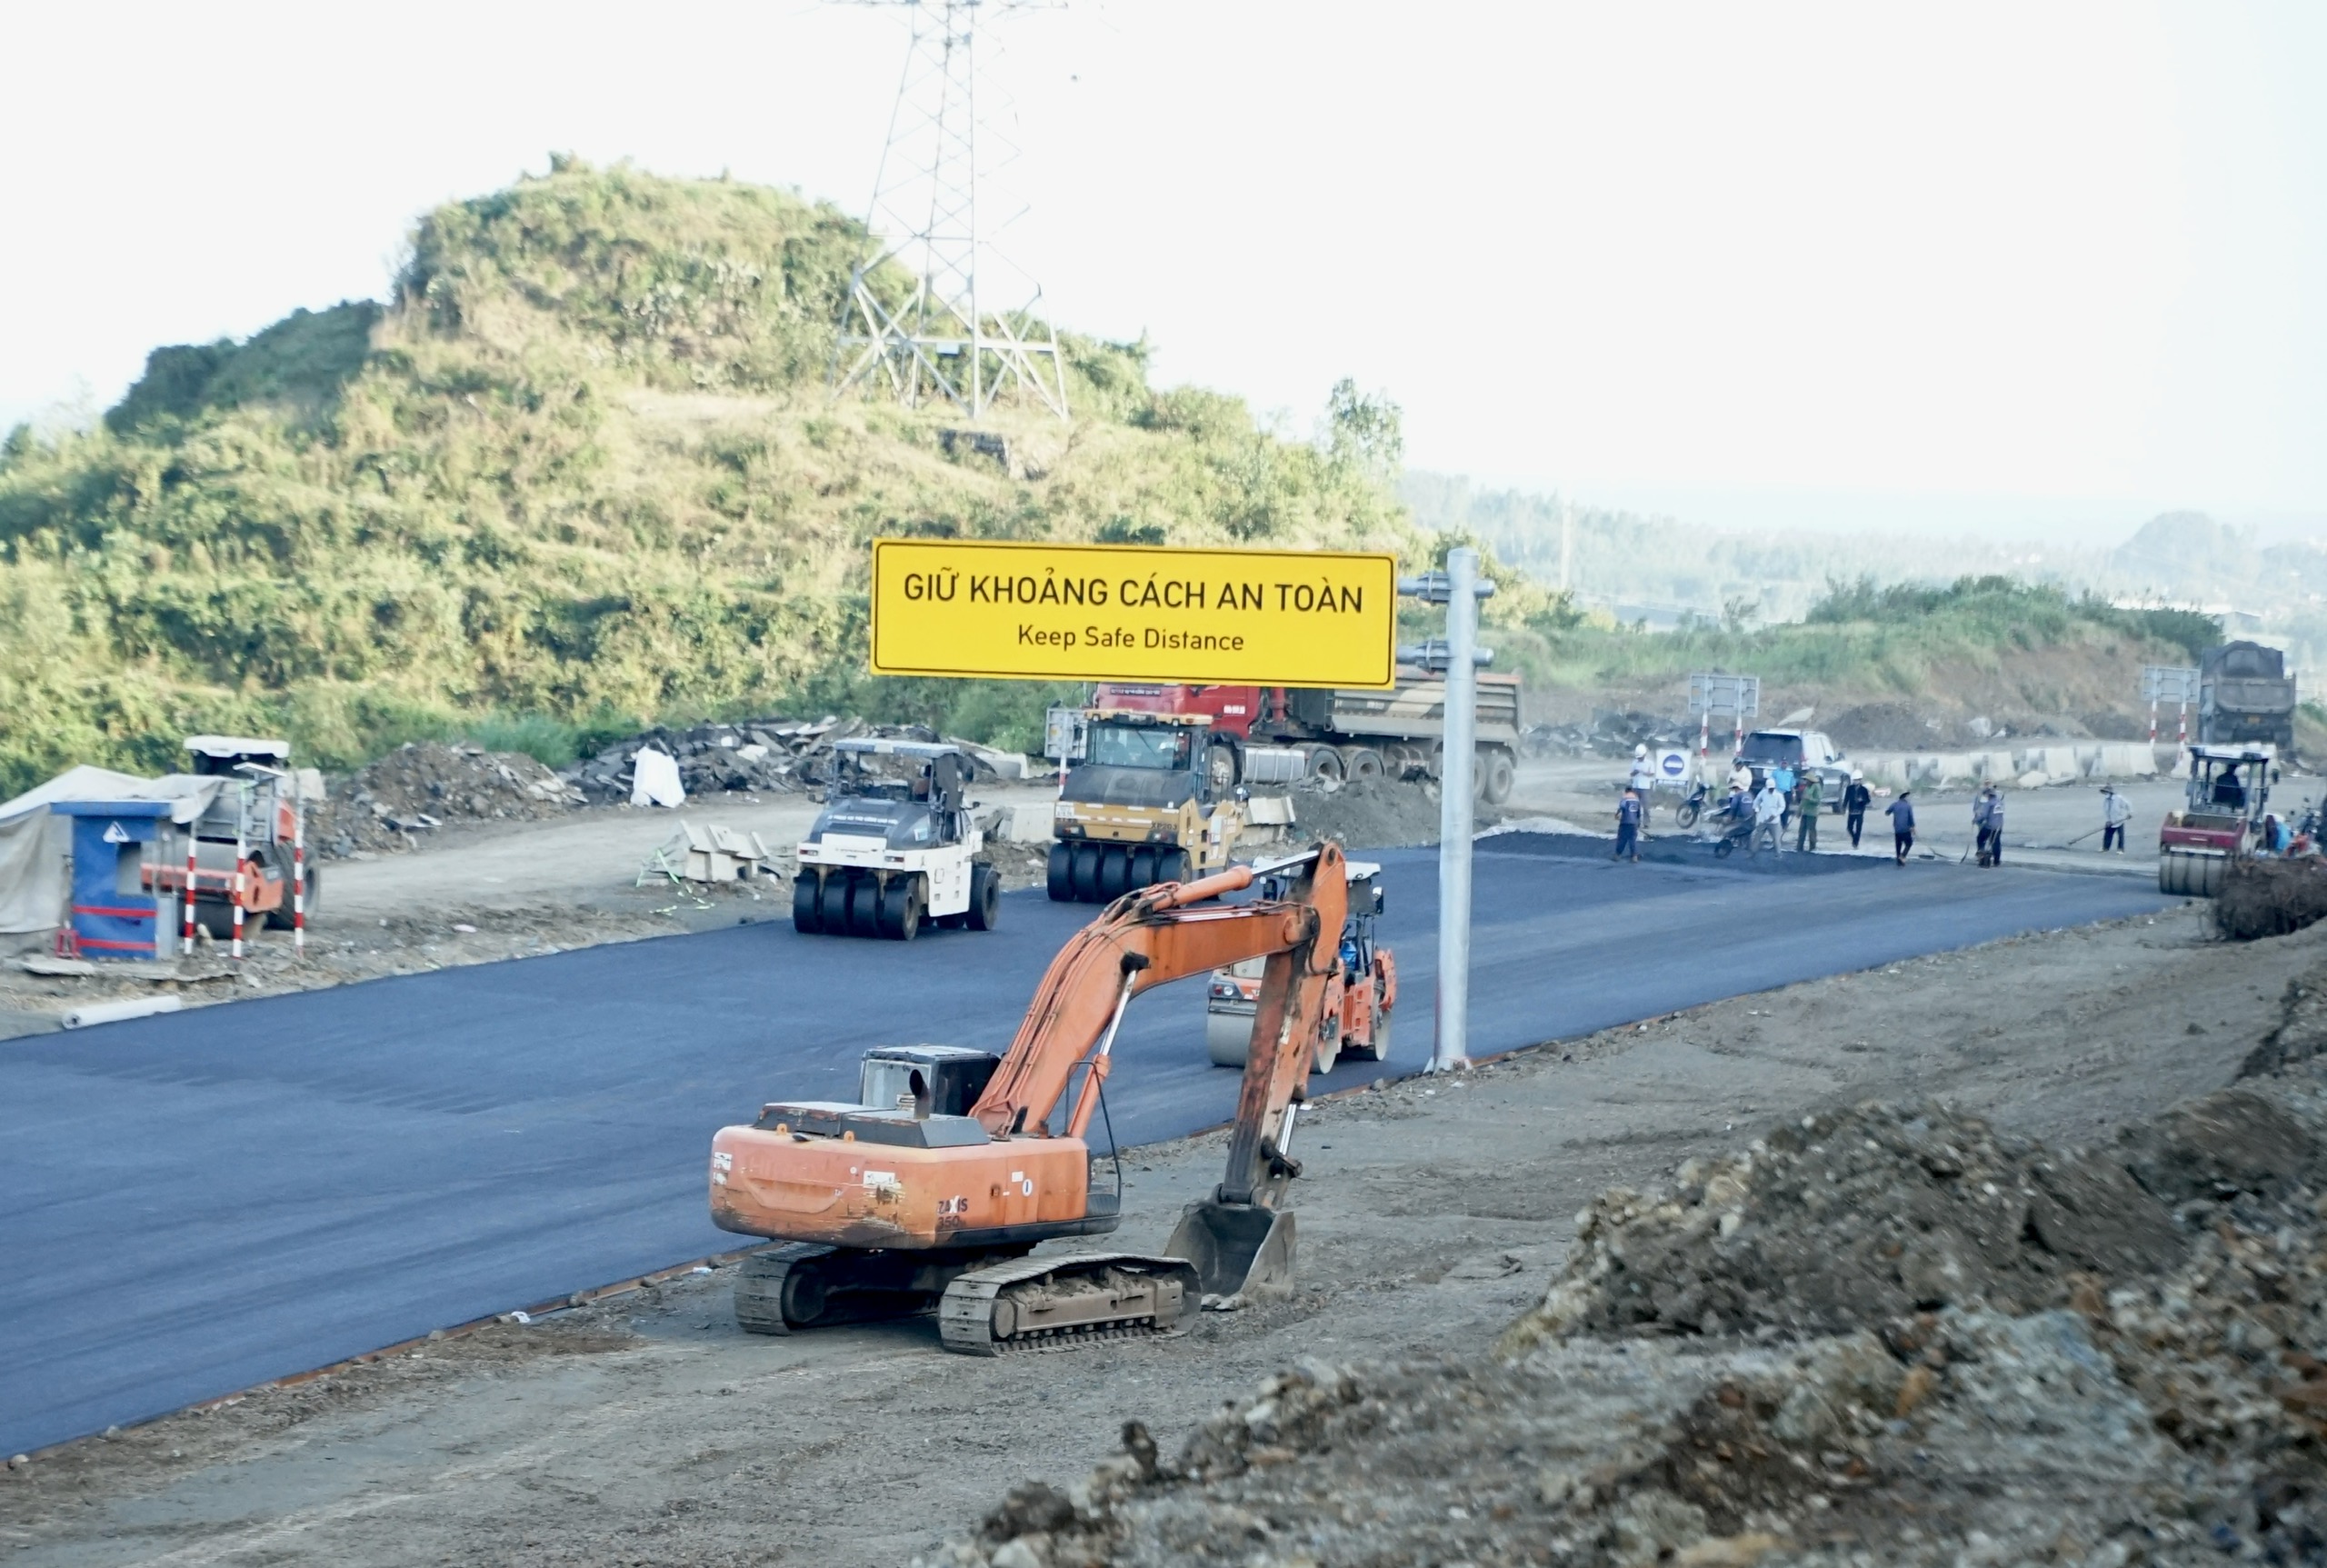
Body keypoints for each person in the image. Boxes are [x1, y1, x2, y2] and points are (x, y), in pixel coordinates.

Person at [1628, 745, 1658, 837]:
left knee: (1646, 807)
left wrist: (1643, 772)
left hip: (1645, 787)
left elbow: (1652, 773)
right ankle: (1636, 822)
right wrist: (1635, 772)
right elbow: (1631, 774)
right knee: (1636, 807)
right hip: (1636, 786)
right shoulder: (1634, 763)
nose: (1639, 759)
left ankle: (1646, 823)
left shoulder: (1649, 763)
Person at [1753, 776, 1786, 853]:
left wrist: (1775, 814)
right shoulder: (1763, 793)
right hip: (1763, 819)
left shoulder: (1779, 795)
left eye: (1772, 788)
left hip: (1774, 821)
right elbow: (1756, 801)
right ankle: (1752, 853)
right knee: (1757, 838)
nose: (1771, 790)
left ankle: (1778, 855)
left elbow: (1782, 807)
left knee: (1776, 840)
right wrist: (1756, 809)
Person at [1843, 770, 1873, 850]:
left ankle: (1856, 843)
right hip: (1851, 811)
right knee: (1849, 827)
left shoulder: (1864, 790)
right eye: (1854, 780)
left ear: (1860, 780)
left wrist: (1862, 800)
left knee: (1858, 828)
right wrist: (1844, 807)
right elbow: (1846, 799)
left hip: (1860, 811)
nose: (1855, 781)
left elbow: (1868, 800)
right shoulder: (1849, 789)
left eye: (1857, 780)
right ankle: (1854, 839)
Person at [1885, 790, 1916, 864]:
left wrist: (1892, 812)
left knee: (1898, 845)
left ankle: (1898, 860)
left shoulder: (1894, 804)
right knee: (1909, 843)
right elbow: (1910, 817)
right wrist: (1913, 827)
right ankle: (1903, 856)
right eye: (1908, 796)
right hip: (1906, 828)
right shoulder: (1908, 805)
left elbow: (1887, 813)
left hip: (1897, 828)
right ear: (1905, 797)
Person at [1613, 786, 1643, 863]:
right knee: (1632, 840)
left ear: (1626, 791)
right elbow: (1639, 813)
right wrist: (1638, 823)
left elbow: (1621, 808)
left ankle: (1617, 856)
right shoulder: (1637, 800)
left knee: (1622, 839)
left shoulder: (1625, 798)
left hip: (1625, 822)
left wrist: (1616, 815)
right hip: (1634, 823)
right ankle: (1634, 857)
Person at [1794, 772, 1823, 852]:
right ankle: (1799, 847)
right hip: (1805, 812)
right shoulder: (1807, 788)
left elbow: (1818, 801)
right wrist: (1799, 810)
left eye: (1807, 780)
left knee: (1811, 830)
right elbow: (1803, 800)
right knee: (1802, 830)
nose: (1805, 781)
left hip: (1812, 813)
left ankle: (1812, 847)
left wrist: (1810, 799)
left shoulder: (1817, 787)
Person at [2101, 784, 2132, 854]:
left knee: (2120, 836)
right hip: (2110, 821)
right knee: (2107, 835)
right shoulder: (2106, 800)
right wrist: (2108, 820)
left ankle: (2120, 849)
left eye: (2106, 792)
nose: (2105, 794)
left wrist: (2130, 813)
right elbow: (2106, 811)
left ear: (2110, 792)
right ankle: (2105, 848)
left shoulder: (2118, 798)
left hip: (2119, 820)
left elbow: (2128, 805)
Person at [1771, 761, 1797, 829]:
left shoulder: (1790, 773)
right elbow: (1771, 782)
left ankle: (1784, 824)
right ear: (1780, 764)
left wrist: (1794, 794)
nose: (1784, 765)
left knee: (1785, 809)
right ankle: (1776, 824)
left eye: (1785, 763)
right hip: (1777, 793)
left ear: (1787, 764)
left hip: (1786, 793)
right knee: (1777, 808)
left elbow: (1792, 785)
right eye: (1783, 763)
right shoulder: (1775, 772)